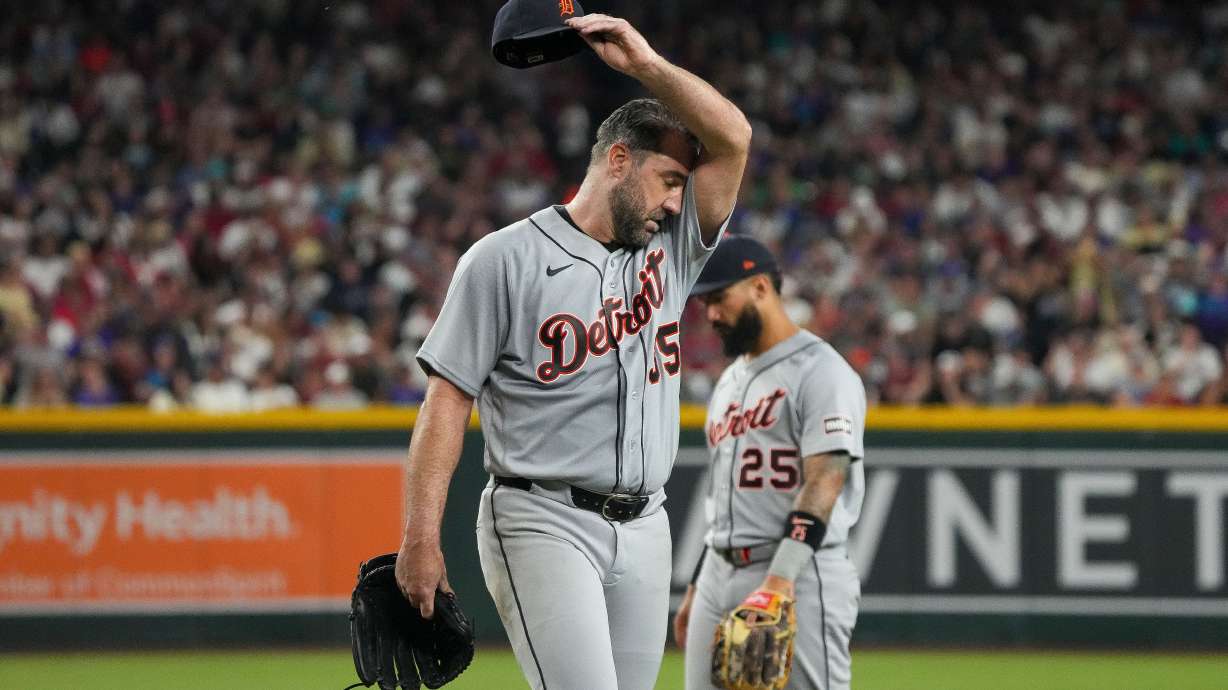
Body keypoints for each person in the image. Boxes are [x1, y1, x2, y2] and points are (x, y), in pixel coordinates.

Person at [394, 10, 751, 690]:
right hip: (542, 519)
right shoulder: (503, 260)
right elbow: (445, 405)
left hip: (647, 523)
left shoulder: (669, 251)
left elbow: (733, 138)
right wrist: (420, 536)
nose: (679, 203)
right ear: (619, 160)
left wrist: (644, 64)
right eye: (671, 180)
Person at [674, 236, 866, 690]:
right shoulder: (729, 381)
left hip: (798, 572)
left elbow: (825, 478)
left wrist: (780, 579)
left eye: (720, 299)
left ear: (760, 287)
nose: (711, 315)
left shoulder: (822, 370)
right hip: (720, 569)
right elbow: (725, 495)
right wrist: (701, 580)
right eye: (705, 303)